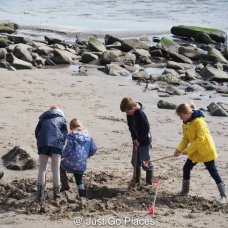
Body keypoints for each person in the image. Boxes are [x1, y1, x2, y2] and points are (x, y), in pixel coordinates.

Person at [174, 103, 227, 203]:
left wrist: (188, 150)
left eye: (181, 116)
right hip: (195, 152)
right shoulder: (185, 124)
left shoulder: (199, 122)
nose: (180, 118)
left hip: (206, 151)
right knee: (186, 168)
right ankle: (184, 192)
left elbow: (200, 139)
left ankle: (223, 195)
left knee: (213, 171)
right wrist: (179, 149)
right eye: (179, 116)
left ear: (188, 113)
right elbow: (185, 139)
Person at [35, 105, 68, 201]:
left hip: (43, 143)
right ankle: (56, 194)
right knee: (55, 169)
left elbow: (37, 133)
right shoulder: (62, 119)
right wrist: (61, 143)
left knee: (42, 168)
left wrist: (42, 141)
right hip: (56, 145)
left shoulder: (42, 119)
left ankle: (40, 195)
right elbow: (65, 134)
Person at [120, 97, 153, 186]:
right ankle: (136, 181)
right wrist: (134, 138)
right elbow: (130, 127)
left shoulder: (140, 114)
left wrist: (139, 140)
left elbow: (146, 128)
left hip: (145, 141)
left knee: (145, 162)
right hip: (137, 140)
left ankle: (149, 183)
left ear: (133, 108)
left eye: (127, 112)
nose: (127, 114)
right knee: (135, 161)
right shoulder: (129, 115)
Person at [60, 118, 97, 197]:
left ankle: (65, 185)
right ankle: (83, 196)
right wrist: (89, 154)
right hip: (82, 163)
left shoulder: (71, 136)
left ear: (71, 127)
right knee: (79, 181)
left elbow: (68, 149)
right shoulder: (88, 136)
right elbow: (94, 148)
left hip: (71, 162)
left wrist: (62, 155)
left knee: (60, 166)